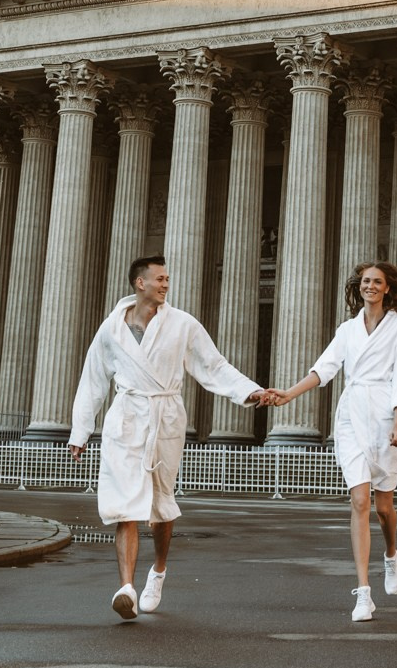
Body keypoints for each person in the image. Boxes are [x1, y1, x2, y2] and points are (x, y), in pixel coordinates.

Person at [69, 254, 266, 622]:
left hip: (165, 418)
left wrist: (249, 391)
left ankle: (157, 571)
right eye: (159, 279)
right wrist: (80, 431)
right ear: (139, 283)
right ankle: (126, 588)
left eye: (167, 279)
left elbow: (214, 366)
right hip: (126, 419)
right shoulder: (111, 330)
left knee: (160, 505)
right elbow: (93, 380)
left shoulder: (182, 324)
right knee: (124, 506)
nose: (165, 284)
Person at [263, 260, 397, 623]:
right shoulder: (347, 330)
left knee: (384, 508)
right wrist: (289, 394)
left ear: (387, 288)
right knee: (359, 499)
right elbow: (324, 368)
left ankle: (391, 555)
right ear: (360, 286)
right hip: (352, 415)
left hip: (384, 416)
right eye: (365, 281)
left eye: (377, 281)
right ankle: (363, 593)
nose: (370, 286)